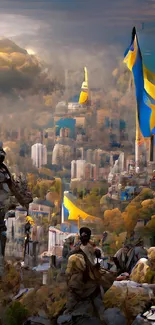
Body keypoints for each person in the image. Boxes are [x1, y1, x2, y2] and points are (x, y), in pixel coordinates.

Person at [64, 227, 116, 323]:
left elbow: (99, 256)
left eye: (86, 236)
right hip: (81, 277)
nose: (84, 238)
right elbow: (69, 258)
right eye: (83, 235)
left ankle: (101, 318)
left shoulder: (92, 247)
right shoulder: (77, 248)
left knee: (97, 298)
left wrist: (98, 255)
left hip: (92, 276)